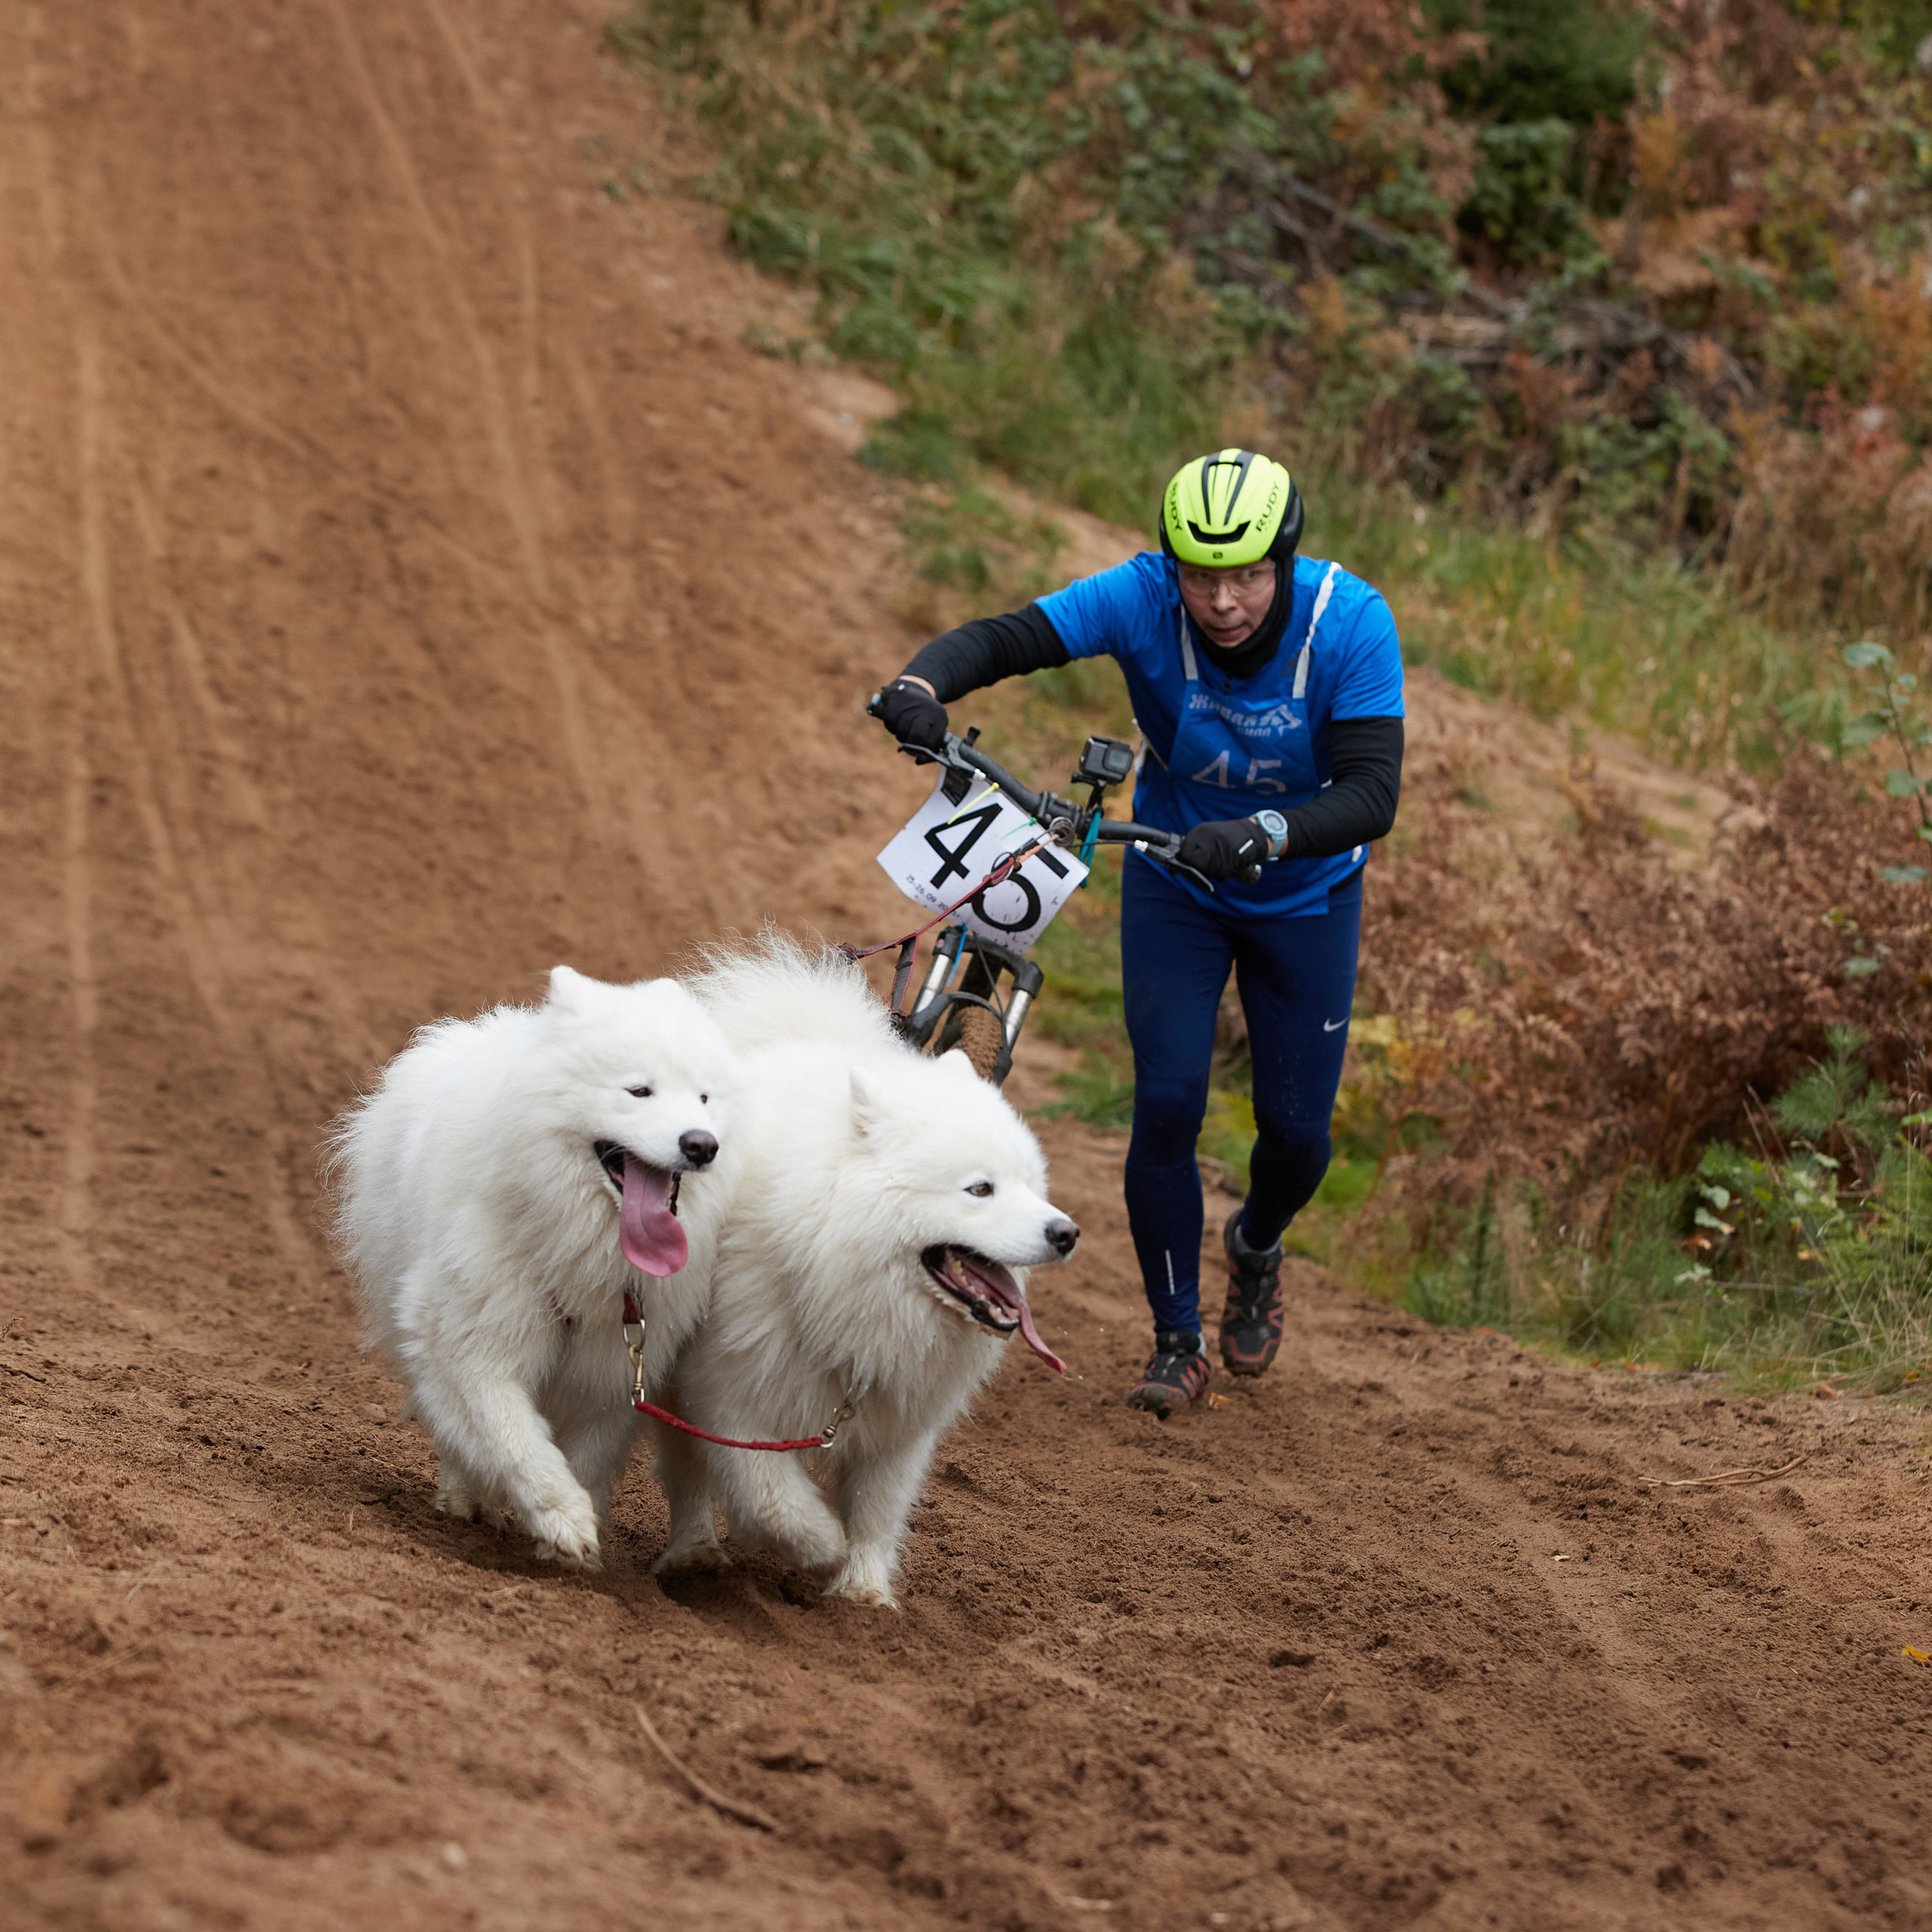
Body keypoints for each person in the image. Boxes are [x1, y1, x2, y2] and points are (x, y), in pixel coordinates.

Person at [873, 449, 1404, 1416]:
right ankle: (1177, 1340)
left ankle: (1257, 1244)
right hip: (1177, 881)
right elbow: (1012, 637)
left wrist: (1263, 834)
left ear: (1283, 561)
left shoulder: (1351, 622)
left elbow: (1373, 793)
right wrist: (921, 683)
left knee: (1297, 1138)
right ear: (1173, 568)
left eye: (1246, 573)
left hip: (1306, 893)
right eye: (1202, 576)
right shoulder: (1140, 595)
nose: (1224, 601)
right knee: (1166, 1100)